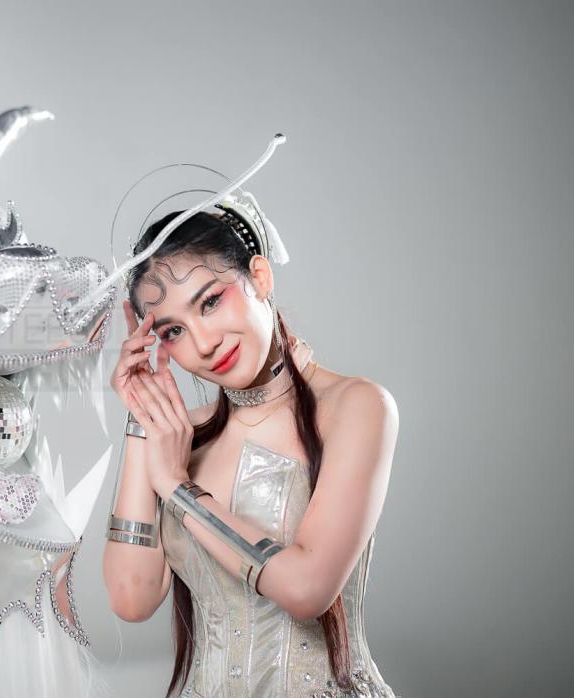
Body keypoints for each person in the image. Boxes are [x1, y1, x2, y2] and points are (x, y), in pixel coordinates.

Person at [102, 200, 398, 697]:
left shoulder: (356, 406)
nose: (203, 342)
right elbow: (131, 599)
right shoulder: (181, 437)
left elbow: (307, 589)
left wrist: (178, 487)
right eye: (173, 331)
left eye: (210, 302)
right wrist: (143, 414)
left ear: (259, 277)